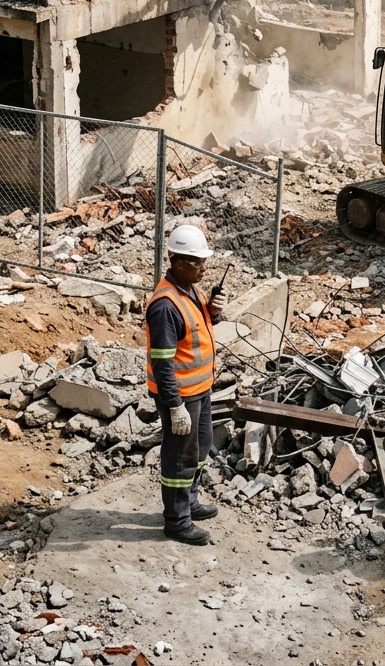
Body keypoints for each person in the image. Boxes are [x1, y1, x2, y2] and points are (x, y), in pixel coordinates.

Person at [145, 224, 228, 546]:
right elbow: (162, 362)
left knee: (200, 446)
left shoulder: (189, 289)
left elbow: (194, 331)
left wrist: (213, 313)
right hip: (181, 395)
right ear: (177, 262)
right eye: (197, 263)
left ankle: (190, 501)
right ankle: (177, 521)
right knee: (180, 456)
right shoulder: (165, 305)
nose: (203, 269)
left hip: (200, 388)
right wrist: (175, 406)